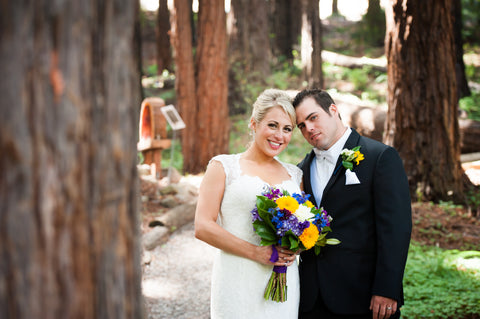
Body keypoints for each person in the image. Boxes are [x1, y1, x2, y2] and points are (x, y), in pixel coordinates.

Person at [293, 88, 412, 319]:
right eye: (301, 125)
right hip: (311, 299)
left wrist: (386, 289)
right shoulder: (300, 170)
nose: (308, 129)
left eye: (313, 117)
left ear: (333, 110)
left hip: (364, 297)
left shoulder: (379, 157)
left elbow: (396, 229)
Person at [194, 89, 301, 319]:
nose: (279, 135)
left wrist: (297, 247)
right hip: (237, 277)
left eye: (287, 129)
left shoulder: (295, 175)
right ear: (254, 123)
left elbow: (303, 226)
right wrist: (256, 253)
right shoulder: (223, 167)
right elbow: (202, 226)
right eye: (272, 125)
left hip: (284, 283)